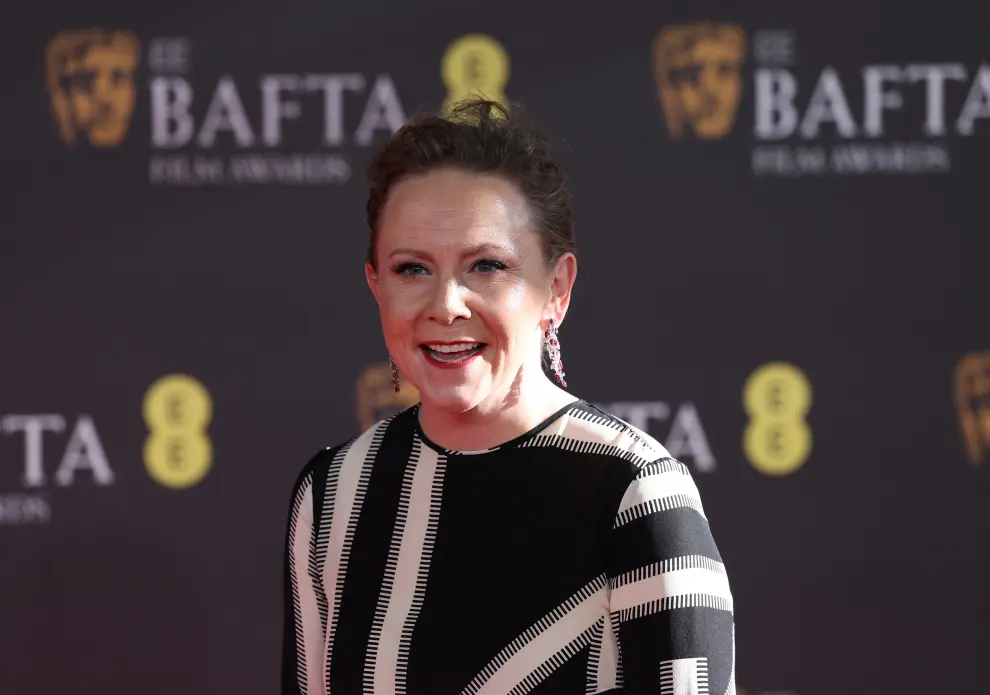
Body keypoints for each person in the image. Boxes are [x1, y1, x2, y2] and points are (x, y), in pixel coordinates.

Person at [282, 98, 735, 695]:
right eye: (412, 269)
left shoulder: (639, 498)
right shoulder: (334, 494)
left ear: (557, 289)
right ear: (375, 285)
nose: (446, 305)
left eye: (486, 266)